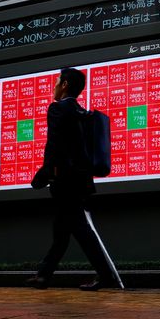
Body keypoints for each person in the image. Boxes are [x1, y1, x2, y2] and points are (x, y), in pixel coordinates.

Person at [26, 67, 123, 291]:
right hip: (81, 181)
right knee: (62, 231)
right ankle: (43, 276)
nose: (54, 85)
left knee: (80, 229)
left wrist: (43, 174)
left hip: (65, 182)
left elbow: (55, 145)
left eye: (57, 81)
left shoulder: (58, 109)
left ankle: (106, 275)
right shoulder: (82, 112)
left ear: (65, 85)